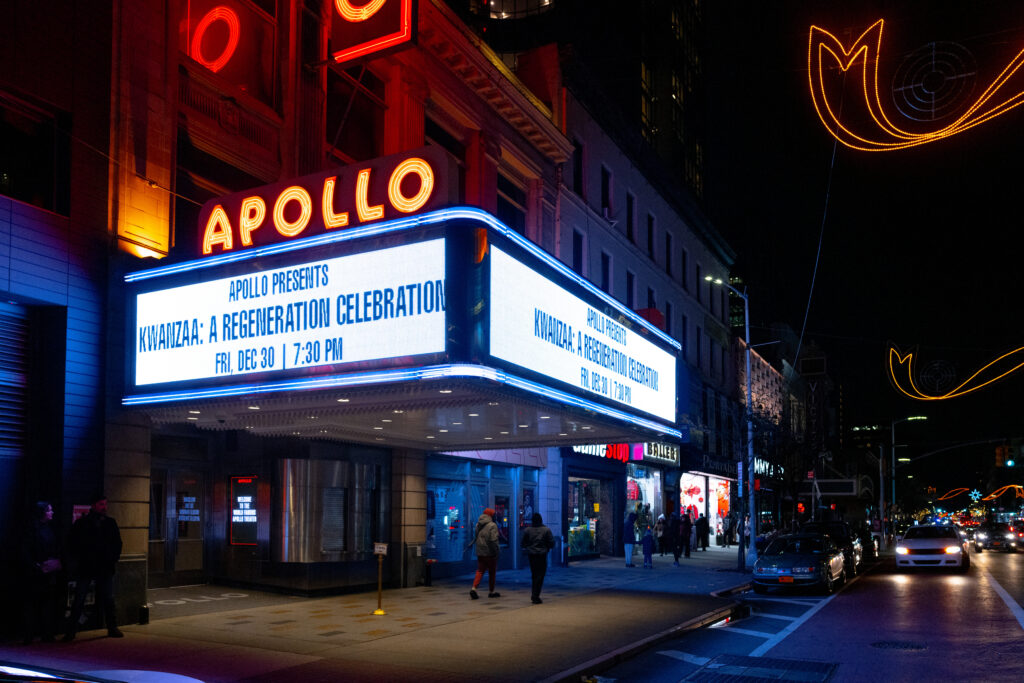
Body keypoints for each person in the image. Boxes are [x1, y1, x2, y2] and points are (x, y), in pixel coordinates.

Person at [64, 494, 123, 640]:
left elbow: (117, 544)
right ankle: (73, 631)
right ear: (94, 505)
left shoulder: (106, 523)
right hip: (91, 566)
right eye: (102, 504)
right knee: (82, 598)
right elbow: (72, 544)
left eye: (105, 504)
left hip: (99, 566)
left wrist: (111, 559)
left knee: (103, 598)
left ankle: (110, 627)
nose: (105, 507)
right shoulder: (86, 523)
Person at [20, 501, 62, 644]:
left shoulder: (47, 528)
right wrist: (36, 565)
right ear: (42, 513)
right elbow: (25, 551)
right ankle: (30, 635)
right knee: (32, 604)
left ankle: (45, 634)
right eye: (49, 510)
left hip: (47, 571)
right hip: (36, 572)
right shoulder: (32, 529)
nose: (52, 513)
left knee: (46, 604)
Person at [521, 512, 555, 604]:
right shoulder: (546, 530)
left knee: (534, 574)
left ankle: (534, 594)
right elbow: (552, 543)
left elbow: (523, 543)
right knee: (540, 575)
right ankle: (535, 595)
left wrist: (529, 547)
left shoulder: (527, 530)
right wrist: (547, 548)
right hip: (542, 555)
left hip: (531, 555)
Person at [469, 508, 501, 599]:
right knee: (492, 572)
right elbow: (493, 540)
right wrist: (497, 551)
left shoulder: (478, 524)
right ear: (491, 515)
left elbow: (476, 536)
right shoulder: (492, 525)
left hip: (480, 552)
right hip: (490, 553)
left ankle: (474, 588)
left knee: (480, 571)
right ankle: (491, 591)